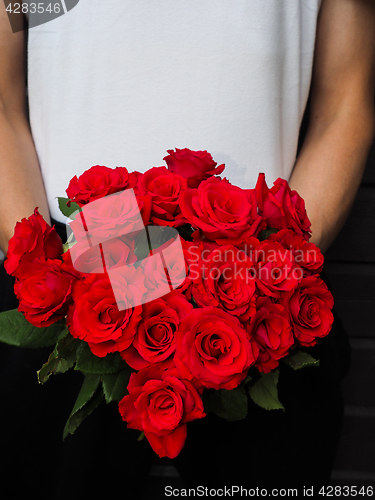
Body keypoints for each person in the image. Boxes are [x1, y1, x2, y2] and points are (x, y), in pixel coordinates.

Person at [0, 1, 374, 498]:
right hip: (71, 298)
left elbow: (345, 102)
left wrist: (275, 271)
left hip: (259, 302)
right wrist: (52, 277)